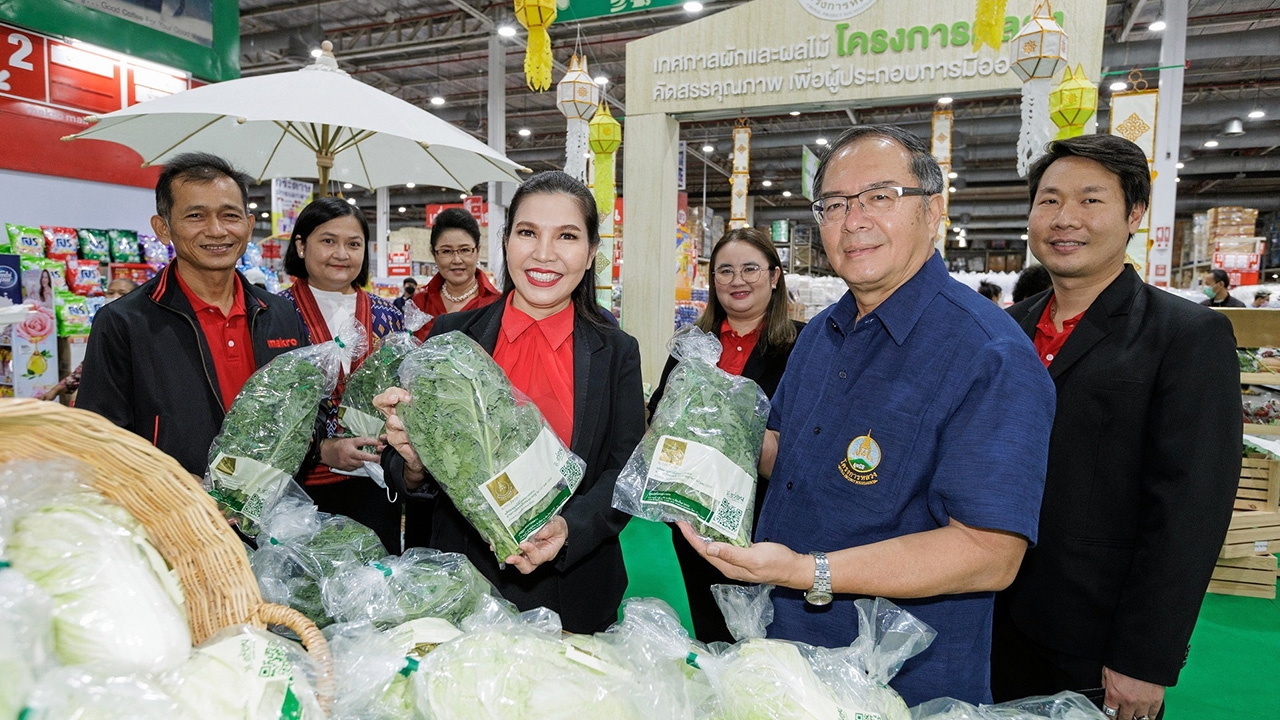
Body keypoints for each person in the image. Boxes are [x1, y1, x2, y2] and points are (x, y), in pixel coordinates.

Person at [678, 125, 1055, 706]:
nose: (853, 221)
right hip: (780, 652)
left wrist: (810, 572)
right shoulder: (822, 333)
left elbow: (989, 553)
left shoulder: (989, 355)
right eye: (833, 205)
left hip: (899, 682)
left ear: (933, 211)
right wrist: (698, 435)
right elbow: (788, 455)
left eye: (879, 197)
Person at [992, 134, 1241, 720]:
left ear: (1133, 214)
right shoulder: (1004, 330)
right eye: (1049, 200)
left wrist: (1144, 657)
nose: (1065, 219)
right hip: (993, 616)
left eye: (1091, 201)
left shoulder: (1185, 336)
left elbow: (1191, 508)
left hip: (1098, 640)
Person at [375, 171, 645, 634]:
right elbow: (405, 471)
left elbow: (626, 469)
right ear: (505, 242)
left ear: (592, 251)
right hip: (463, 584)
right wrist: (414, 460)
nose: (544, 254)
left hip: (573, 586)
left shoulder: (616, 351)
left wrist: (568, 530)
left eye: (567, 236)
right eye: (527, 233)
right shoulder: (452, 336)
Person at [78, 152, 309, 477]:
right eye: (196, 216)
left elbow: (301, 412)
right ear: (163, 228)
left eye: (230, 215)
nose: (216, 230)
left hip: (266, 509)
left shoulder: (279, 313)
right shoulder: (124, 322)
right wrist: (176, 485)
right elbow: (100, 438)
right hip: (173, 515)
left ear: (248, 224)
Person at [648, 227, 803, 643]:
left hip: (766, 522)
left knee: (766, 637)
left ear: (774, 276)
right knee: (709, 626)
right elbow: (660, 414)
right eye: (725, 271)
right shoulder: (693, 346)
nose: (738, 280)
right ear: (712, 280)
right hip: (692, 513)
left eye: (750, 268)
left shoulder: (803, 345)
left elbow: (806, 436)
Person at [279, 197, 405, 553]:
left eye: (353, 244)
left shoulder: (388, 315)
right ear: (301, 245)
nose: (341, 253)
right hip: (299, 488)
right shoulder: (276, 312)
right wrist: (320, 450)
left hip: (376, 483)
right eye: (328, 240)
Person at [41, 278, 140, 404]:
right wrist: (56, 390)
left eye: (122, 293)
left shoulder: (139, 325)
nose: (115, 297)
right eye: (110, 293)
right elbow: (91, 362)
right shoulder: (106, 322)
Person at [410, 207, 501, 339]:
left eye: (464, 250)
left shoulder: (496, 305)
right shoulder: (420, 304)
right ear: (434, 254)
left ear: (477, 251)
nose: (457, 260)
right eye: (446, 251)